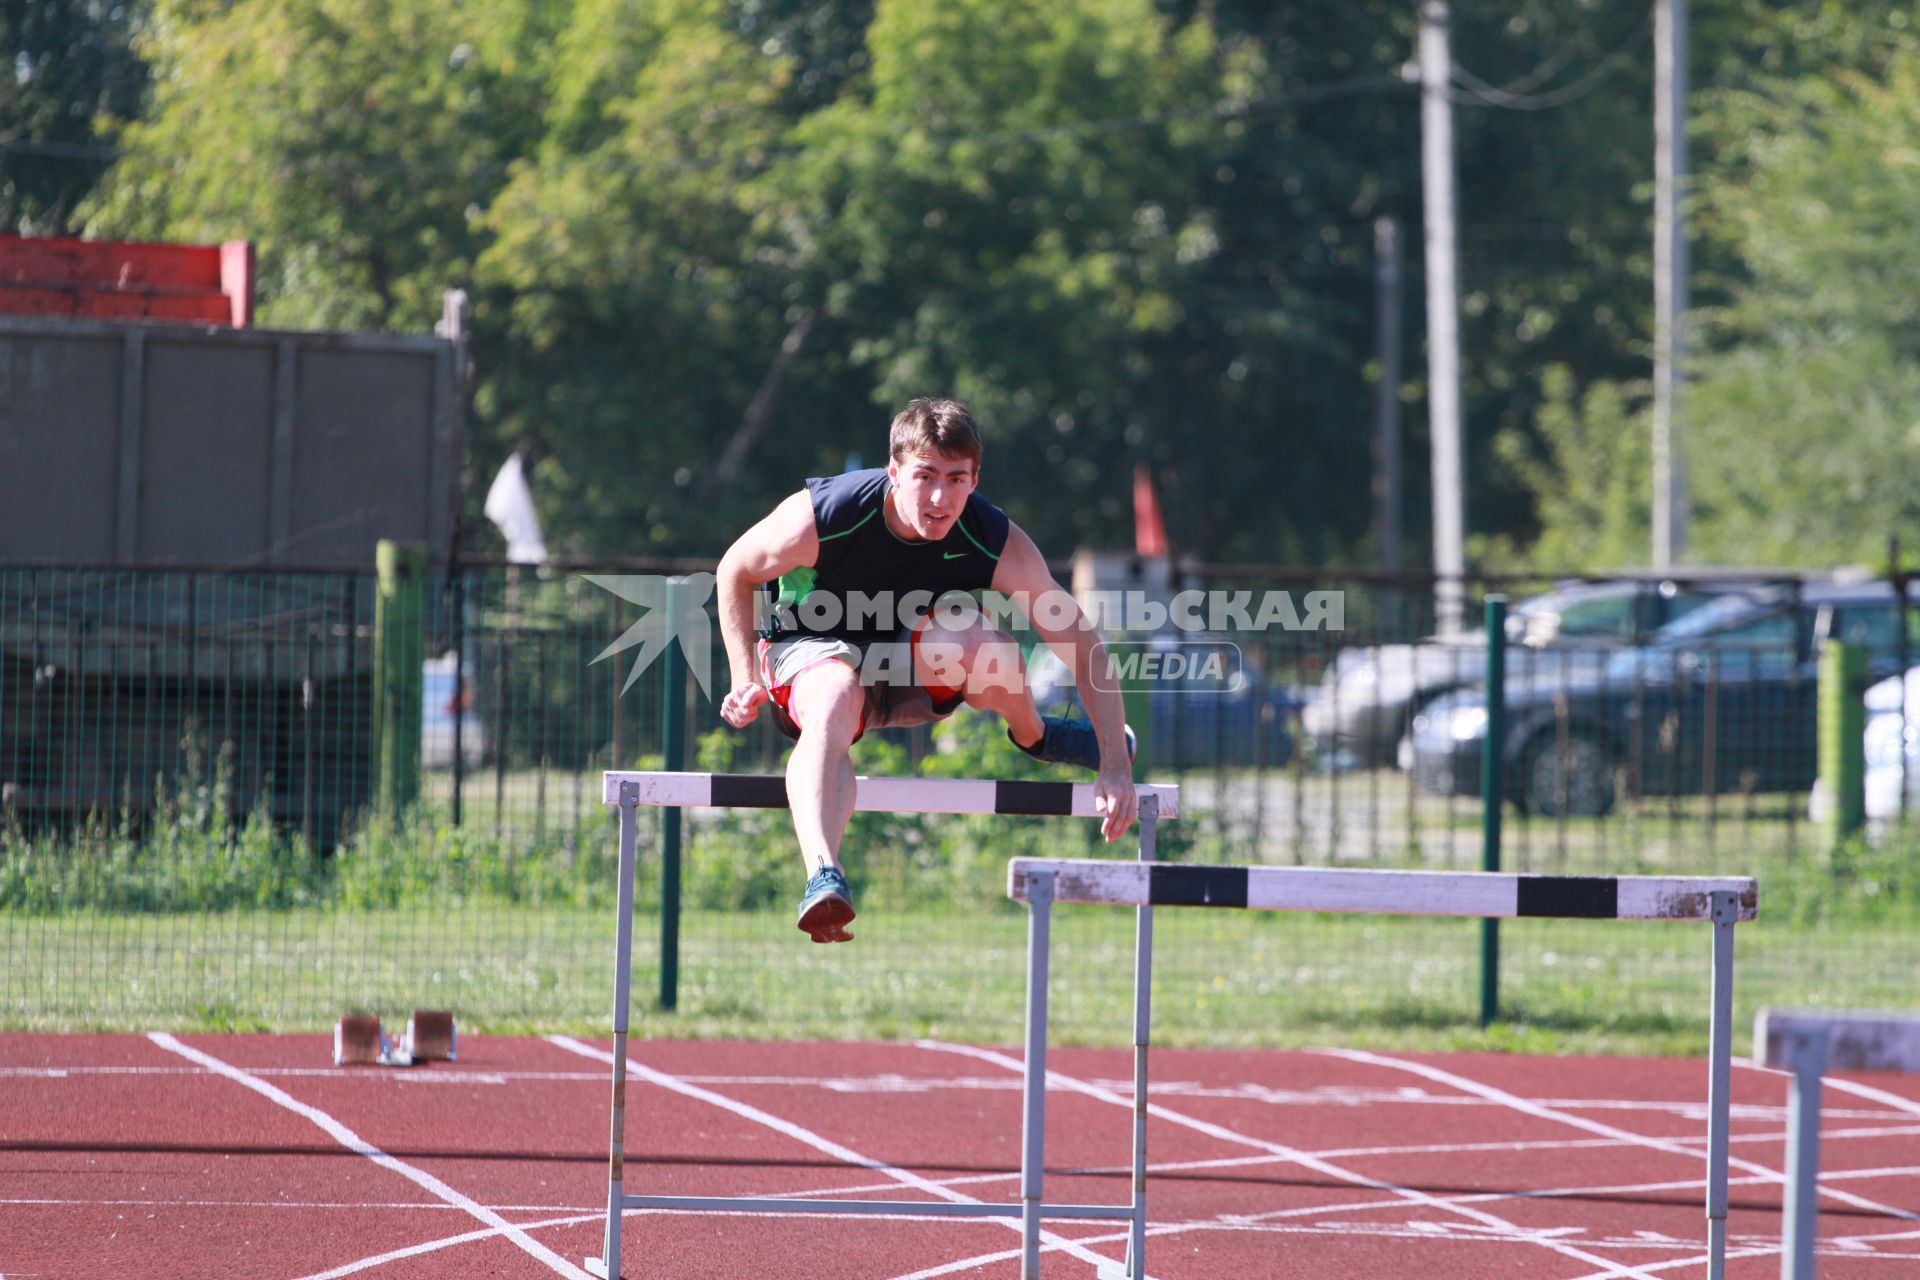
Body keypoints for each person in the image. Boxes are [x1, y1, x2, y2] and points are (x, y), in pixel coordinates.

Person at [716, 398, 1138, 943]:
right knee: (835, 690)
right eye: (925, 477)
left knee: (980, 640)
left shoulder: (992, 537)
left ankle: (1036, 735)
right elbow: (735, 569)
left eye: (956, 479)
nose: (940, 499)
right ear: (894, 472)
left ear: (974, 479)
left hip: (907, 669)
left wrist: (1114, 765)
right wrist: (743, 676)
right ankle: (823, 873)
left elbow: (1085, 645)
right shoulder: (826, 514)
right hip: (812, 650)